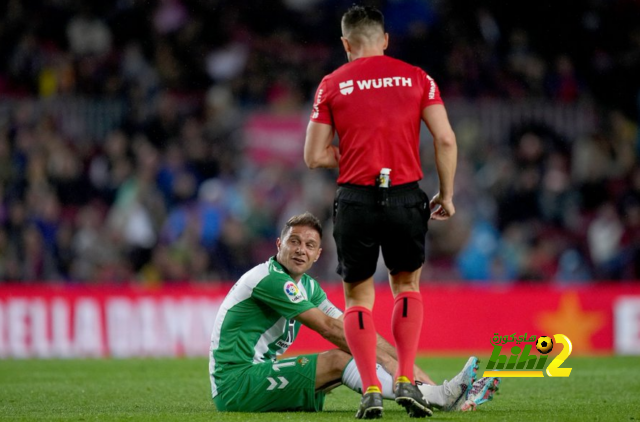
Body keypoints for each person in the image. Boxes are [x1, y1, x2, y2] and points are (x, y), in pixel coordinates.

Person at [304, 5, 460, 419]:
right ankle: (406, 378)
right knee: (406, 288)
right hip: (407, 196)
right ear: (385, 39)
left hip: (355, 199)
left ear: (345, 44)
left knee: (358, 297)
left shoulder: (331, 84)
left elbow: (314, 156)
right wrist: (446, 195)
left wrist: (354, 152)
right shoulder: (417, 77)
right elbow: (444, 140)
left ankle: (372, 387)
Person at [209, 212, 500, 415]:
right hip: (236, 384)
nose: (300, 250)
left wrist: (419, 376)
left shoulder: (308, 286)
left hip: (256, 375)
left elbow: (353, 329)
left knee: (360, 348)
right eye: (294, 242)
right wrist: (384, 360)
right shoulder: (271, 278)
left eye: (309, 245)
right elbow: (329, 329)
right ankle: (437, 396)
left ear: (318, 254)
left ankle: (440, 393)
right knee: (339, 359)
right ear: (279, 245)